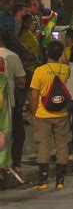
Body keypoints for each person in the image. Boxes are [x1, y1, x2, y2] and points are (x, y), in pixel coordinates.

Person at [30, 40, 72, 189]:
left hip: (43, 113)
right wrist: (62, 53)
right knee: (62, 145)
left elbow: (34, 95)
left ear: (46, 52)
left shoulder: (39, 71)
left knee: (44, 146)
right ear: (61, 54)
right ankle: (60, 180)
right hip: (61, 113)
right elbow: (66, 62)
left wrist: (34, 112)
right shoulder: (65, 70)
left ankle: (43, 181)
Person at [0, 29, 26, 173]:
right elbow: (21, 81)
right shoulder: (12, 56)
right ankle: (15, 164)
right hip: (8, 104)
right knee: (17, 135)